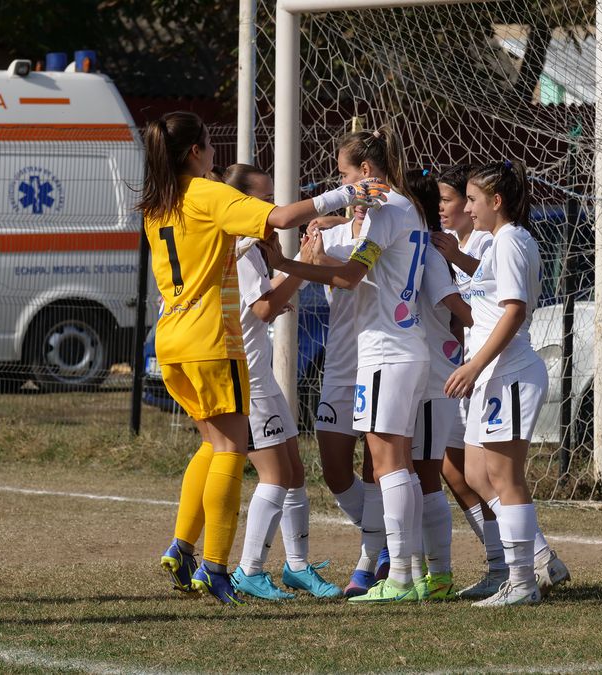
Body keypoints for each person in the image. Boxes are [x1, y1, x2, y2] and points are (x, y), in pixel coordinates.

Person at [141, 112, 385, 605]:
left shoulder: (157, 203)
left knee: (212, 446)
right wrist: (345, 194)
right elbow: (280, 218)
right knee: (232, 452)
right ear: (196, 152)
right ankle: (218, 567)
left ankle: (183, 549)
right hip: (212, 340)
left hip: (172, 340)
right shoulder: (207, 194)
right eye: (210, 145)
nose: (215, 155)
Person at [267, 127, 429, 603]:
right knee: (390, 465)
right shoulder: (404, 209)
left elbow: (350, 276)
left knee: (389, 466)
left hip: (385, 350)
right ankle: (408, 569)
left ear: (366, 172)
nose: (341, 184)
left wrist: (287, 263)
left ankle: (399, 573)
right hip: (396, 349)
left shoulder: (387, 210)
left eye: (343, 175)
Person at [444, 161, 566, 606]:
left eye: (473, 200)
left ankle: (522, 582)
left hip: (510, 372)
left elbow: (514, 312)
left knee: (504, 476)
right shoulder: (499, 242)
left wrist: (474, 366)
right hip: (493, 375)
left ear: (496, 201)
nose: (467, 208)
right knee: (477, 473)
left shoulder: (512, 240)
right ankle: (539, 559)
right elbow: (489, 294)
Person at [219, 164, 340, 600]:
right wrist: (301, 269)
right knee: (274, 475)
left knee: (293, 471)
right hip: (247, 379)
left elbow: (262, 300)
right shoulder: (240, 245)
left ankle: (298, 566)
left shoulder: (252, 246)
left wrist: (286, 276)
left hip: (261, 376)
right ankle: (248, 570)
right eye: (263, 198)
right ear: (241, 203)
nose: (271, 206)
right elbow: (264, 309)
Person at [430, 165, 508, 598]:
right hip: (459, 369)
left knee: (490, 472)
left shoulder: (486, 240)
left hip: (486, 369)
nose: (442, 208)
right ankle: (500, 562)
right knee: (453, 467)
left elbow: (491, 289)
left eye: (449, 200)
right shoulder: (452, 239)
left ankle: (530, 556)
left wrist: (454, 260)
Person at [404, 169, 474, 601]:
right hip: (417, 374)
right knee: (414, 473)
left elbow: (460, 310)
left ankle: (439, 575)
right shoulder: (412, 246)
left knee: (429, 475)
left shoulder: (430, 252)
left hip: (434, 379)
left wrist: (482, 332)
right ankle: (413, 573)